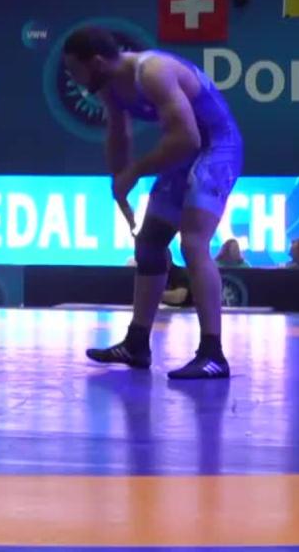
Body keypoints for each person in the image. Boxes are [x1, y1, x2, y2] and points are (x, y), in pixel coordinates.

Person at [62, 27, 241, 380]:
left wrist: (135, 172)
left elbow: (188, 138)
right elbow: (119, 133)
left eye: (74, 70)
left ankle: (213, 354)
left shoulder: (152, 72)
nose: (74, 79)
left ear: (95, 63)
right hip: (186, 149)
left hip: (216, 147)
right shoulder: (109, 86)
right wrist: (119, 181)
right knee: (148, 243)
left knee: (193, 242)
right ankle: (137, 344)